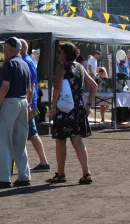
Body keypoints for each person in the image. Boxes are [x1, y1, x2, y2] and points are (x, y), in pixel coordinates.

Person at [47, 42, 97, 185]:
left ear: (65, 53)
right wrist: (88, 105)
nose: (58, 54)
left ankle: (61, 173)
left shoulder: (62, 67)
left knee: (61, 141)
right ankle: (86, 173)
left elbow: (57, 90)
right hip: (78, 108)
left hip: (64, 109)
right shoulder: (80, 67)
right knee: (78, 141)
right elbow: (94, 85)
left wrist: (53, 107)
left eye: (59, 52)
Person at [0, 37, 31, 189]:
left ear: (10, 48)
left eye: (5, 47)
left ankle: (4, 178)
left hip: (9, 102)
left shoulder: (9, 63)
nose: (3, 49)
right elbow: (30, 88)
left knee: (4, 141)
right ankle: (24, 176)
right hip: (23, 102)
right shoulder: (25, 63)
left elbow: (5, 87)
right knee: (20, 141)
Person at [18, 39, 50, 171]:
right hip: (33, 103)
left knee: (31, 133)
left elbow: (30, 86)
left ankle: (43, 162)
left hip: (30, 104)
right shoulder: (28, 61)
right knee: (29, 133)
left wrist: (30, 106)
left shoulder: (25, 62)